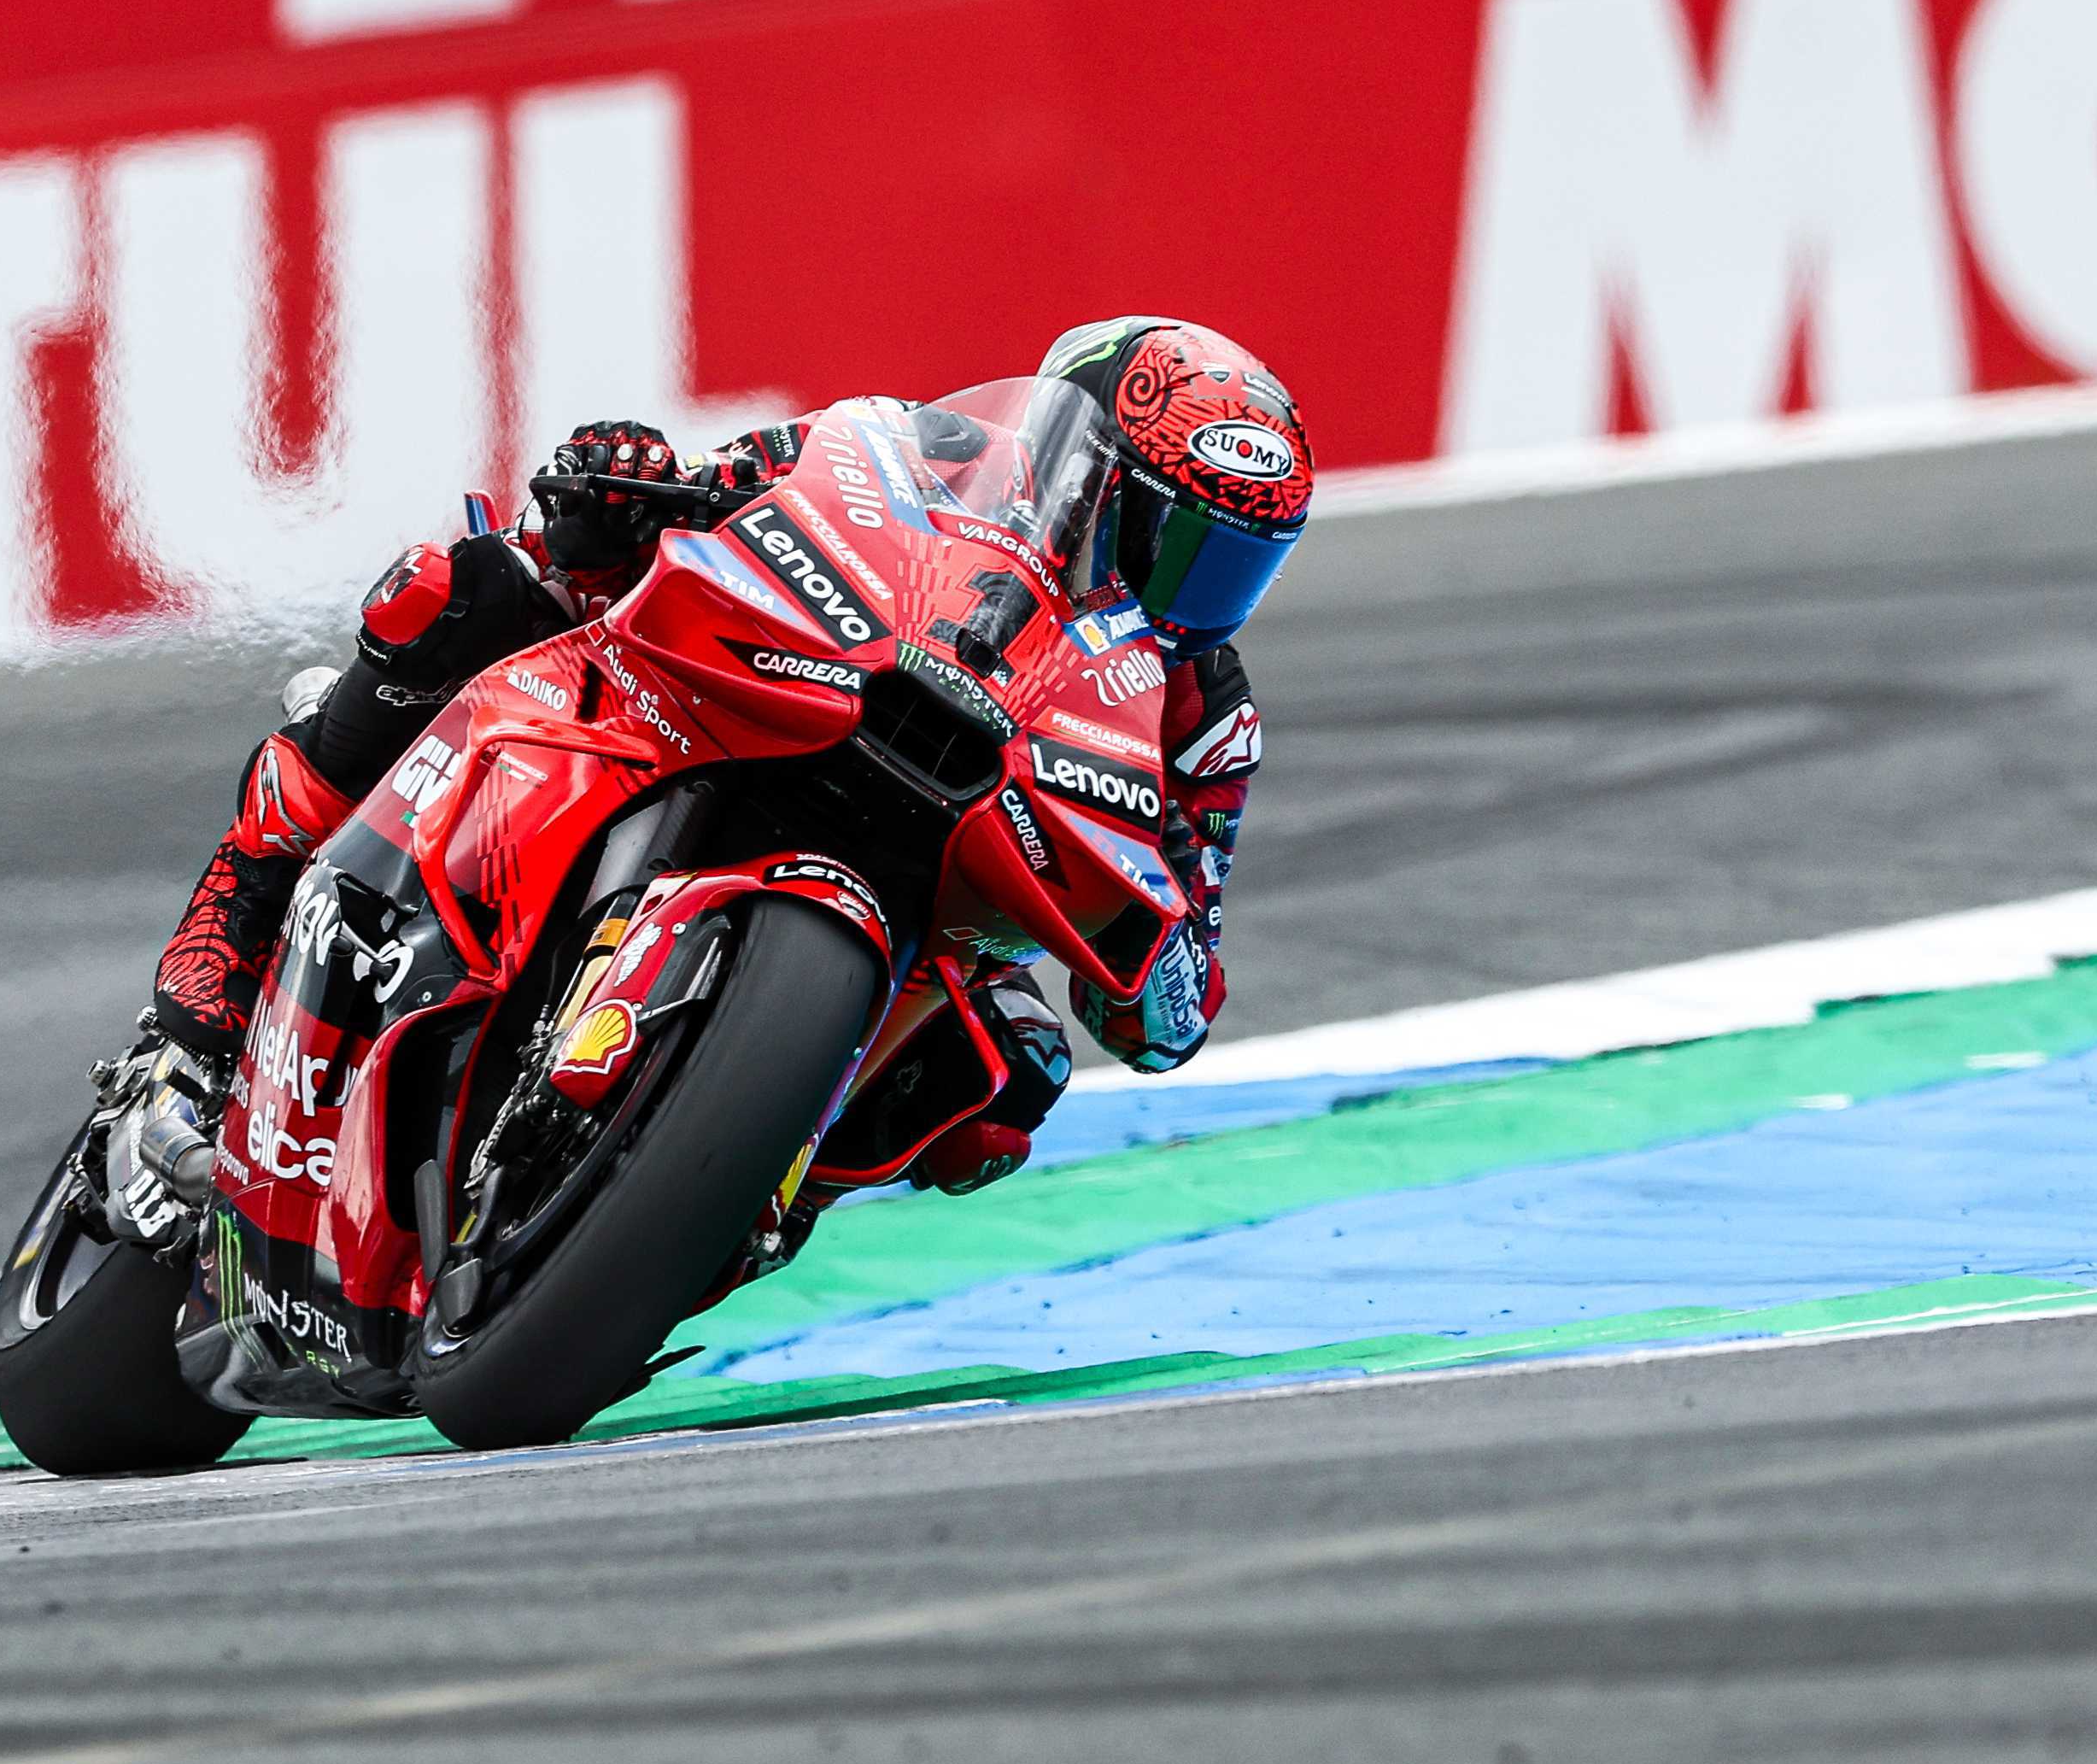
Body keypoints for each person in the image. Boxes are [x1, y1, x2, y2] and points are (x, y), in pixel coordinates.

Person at [108, 317, 1309, 1222]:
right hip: (764, 700)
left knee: (1005, 1079)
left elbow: (1179, 968)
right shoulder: (929, 451)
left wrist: (1153, 960)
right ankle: (227, 943)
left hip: (938, 891)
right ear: (1086, 458)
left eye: (1233, 562)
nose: (1192, 590)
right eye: (1177, 537)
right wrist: (630, 479)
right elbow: (737, 478)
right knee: (466, 590)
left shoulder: (1203, 715)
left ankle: (713, 1206)